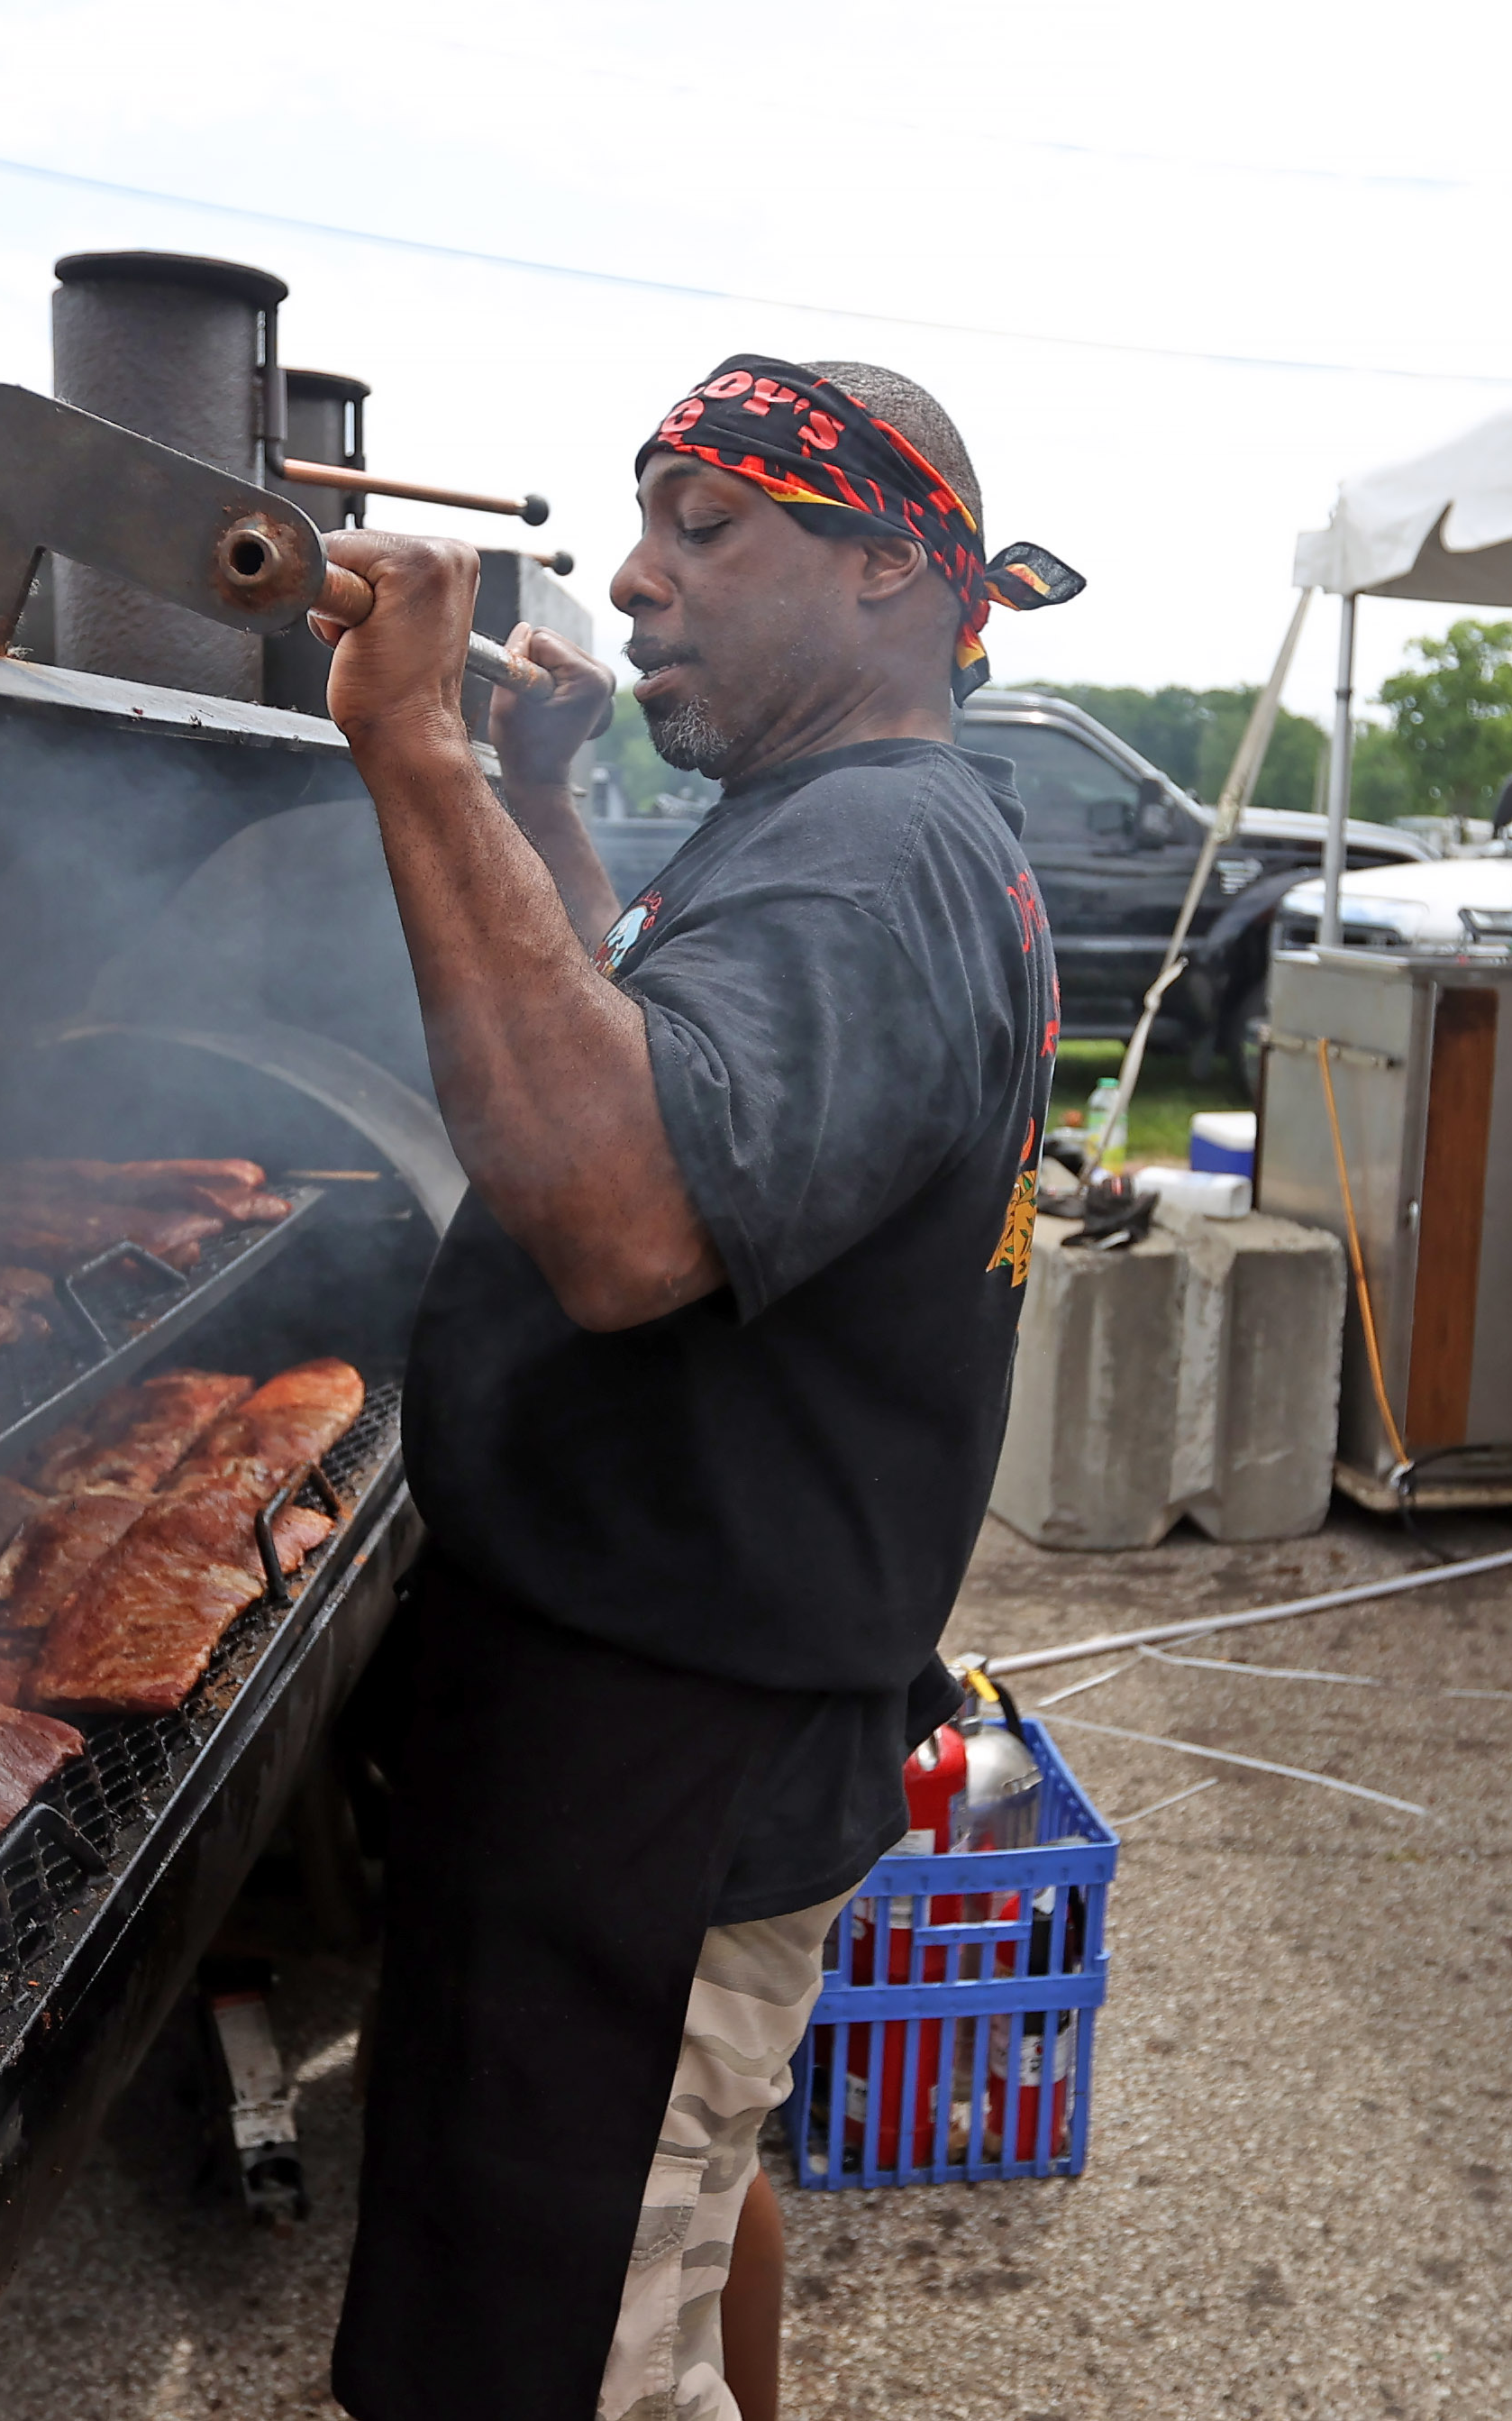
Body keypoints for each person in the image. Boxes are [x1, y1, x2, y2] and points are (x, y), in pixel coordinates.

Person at [311, 358, 1082, 2421]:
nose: (639, 581)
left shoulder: (868, 855)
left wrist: (414, 754)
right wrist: (543, 801)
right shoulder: (843, 832)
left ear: (896, 567)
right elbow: (666, 1072)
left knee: (553, 2358)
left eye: (707, 526)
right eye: (644, 524)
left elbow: (628, 1213)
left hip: (663, 1757)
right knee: (593, 2289)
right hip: (659, 1720)